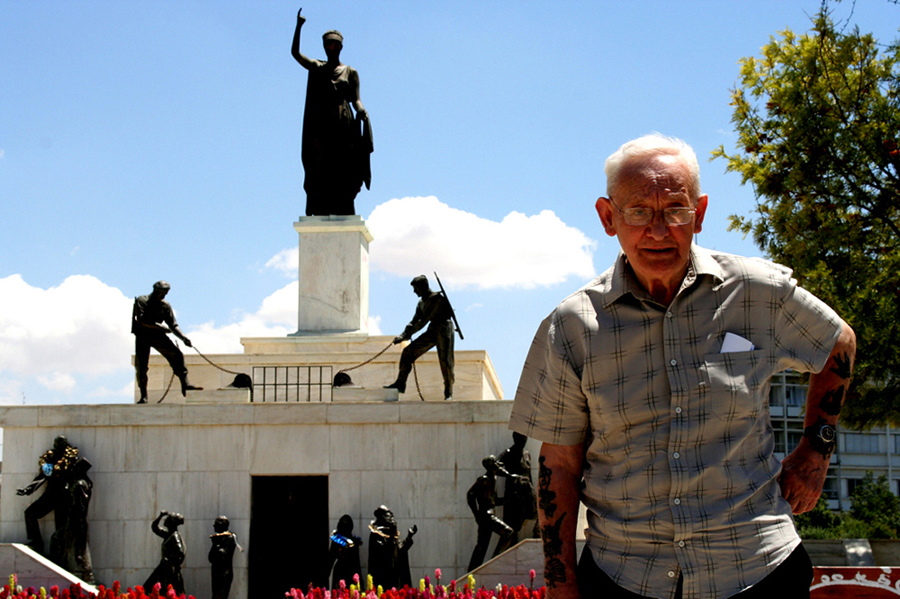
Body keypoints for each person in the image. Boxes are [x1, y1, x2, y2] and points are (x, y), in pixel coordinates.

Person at [509, 134, 856, 599]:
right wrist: (562, 583)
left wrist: (817, 449)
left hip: (758, 571)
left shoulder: (757, 292)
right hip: (624, 579)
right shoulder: (572, 326)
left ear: (700, 212)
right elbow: (560, 464)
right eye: (638, 212)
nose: (658, 230)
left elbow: (839, 342)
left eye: (675, 209)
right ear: (608, 217)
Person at [291, 8, 373, 217]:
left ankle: (344, 206)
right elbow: (296, 55)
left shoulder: (350, 72)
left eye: (335, 44)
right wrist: (299, 27)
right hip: (321, 127)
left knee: (344, 166)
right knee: (321, 166)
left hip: (344, 124)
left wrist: (361, 110)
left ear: (341, 47)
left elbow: (356, 99)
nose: (332, 47)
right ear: (325, 47)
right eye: (328, 44)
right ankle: (321, 207)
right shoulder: (318, 67)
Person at [384, 275, 455, 400]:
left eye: (416, 288)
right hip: (433, 329)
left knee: (446, 361)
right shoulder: (421, 302)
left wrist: (407, 335)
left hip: (444, 329)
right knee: (408, 352)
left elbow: (422, 321)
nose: (414, 291)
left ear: (424, 286)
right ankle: (400, 384)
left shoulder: (437, 299)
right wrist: (403, 335)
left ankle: (448, 393)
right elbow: (414, 321)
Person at [132, 281, 202, 403]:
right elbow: (141, 319)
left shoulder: (165, 305)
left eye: (165, 293)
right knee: (142, 367)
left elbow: (173, 324)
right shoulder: (142, 300)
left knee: (177, 355)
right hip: (143, 335)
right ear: (155, 290)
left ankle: (185, 384)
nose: (163, 295)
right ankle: (144, 395)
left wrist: (183, 338)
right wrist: (160, 327)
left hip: (157, 335)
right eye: (161, 292)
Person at [17, 436, 79, 556]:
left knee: (60, 526)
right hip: (50, 495)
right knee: (30, 513)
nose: (57, 445)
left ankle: (60, 552)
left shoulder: (71, 458)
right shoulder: (51, 458)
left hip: (63, 497)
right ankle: (37, 542)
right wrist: (28, 489)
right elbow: (42, 477)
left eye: (60, 443)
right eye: (56, 443)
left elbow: (75, 476)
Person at [466, 455, 516, 572]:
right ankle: (495, 561)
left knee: (481, 546)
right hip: (486, 515)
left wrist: (509, 499)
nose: (498, 464)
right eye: (495, 462)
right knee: (508, 533)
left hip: (488, 514)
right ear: (491, 465)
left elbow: (493, 501)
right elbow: (470, 495)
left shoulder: (493, 479)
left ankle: (472, 572)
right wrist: (477, 514)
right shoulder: (484, 480)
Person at [497, 432, 538, 544]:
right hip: (514, 493)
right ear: (515, 439)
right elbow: (494, 467)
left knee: (538, 514)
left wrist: (533, 490)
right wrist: (511, 476)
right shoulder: (508, 453)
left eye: (525, 439)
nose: (523, 442)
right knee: (513, 524)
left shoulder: (527, 454)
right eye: (521, 439)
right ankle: (511, 547)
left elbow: (528, 473)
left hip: (527, 491)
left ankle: (537, 538)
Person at [367, 505, 416, 590]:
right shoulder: (376, 534)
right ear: (382, 517)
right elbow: (382, 553)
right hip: (383, 575)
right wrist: (390, 541)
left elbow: (399, 550)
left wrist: (409, 536)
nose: (392, 518)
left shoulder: (392, 533)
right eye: (389, 515)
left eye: (392, 516)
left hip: (395, 575)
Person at [145, 510, 186, 596]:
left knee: (163, 591)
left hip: (170, 572)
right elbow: (155, 528)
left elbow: (180, 552)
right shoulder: (168, 534)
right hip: (165, 570)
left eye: (168, 519)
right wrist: (160, 516)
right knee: (150, 588)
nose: (165, 521)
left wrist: (168, 560)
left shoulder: (174, 536)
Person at [325, 514, 363, 590]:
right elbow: (330, 560)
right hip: (343, 572)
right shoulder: (337, 541)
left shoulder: (354, 542)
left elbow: (330, 561)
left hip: (348, 573)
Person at [209, 515, 239, 599]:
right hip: (216, 572)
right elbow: (211, 558)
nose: (214, 526)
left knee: (220, 595)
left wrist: (216, 545)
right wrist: (215, 544)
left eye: (216, 524)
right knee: (215, 595)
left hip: (224, 573)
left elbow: (222, 555)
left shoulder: (230, 538)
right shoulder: (218, 538)